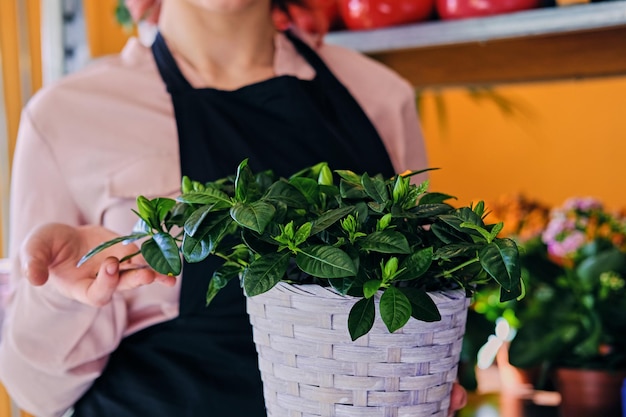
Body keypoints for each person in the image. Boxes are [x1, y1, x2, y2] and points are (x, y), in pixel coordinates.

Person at [0, 0, 467, 416]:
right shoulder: (66, 116)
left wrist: (426, 379)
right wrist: (61, 295)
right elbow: (37, 392)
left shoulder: (380, 96)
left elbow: (419, 296)